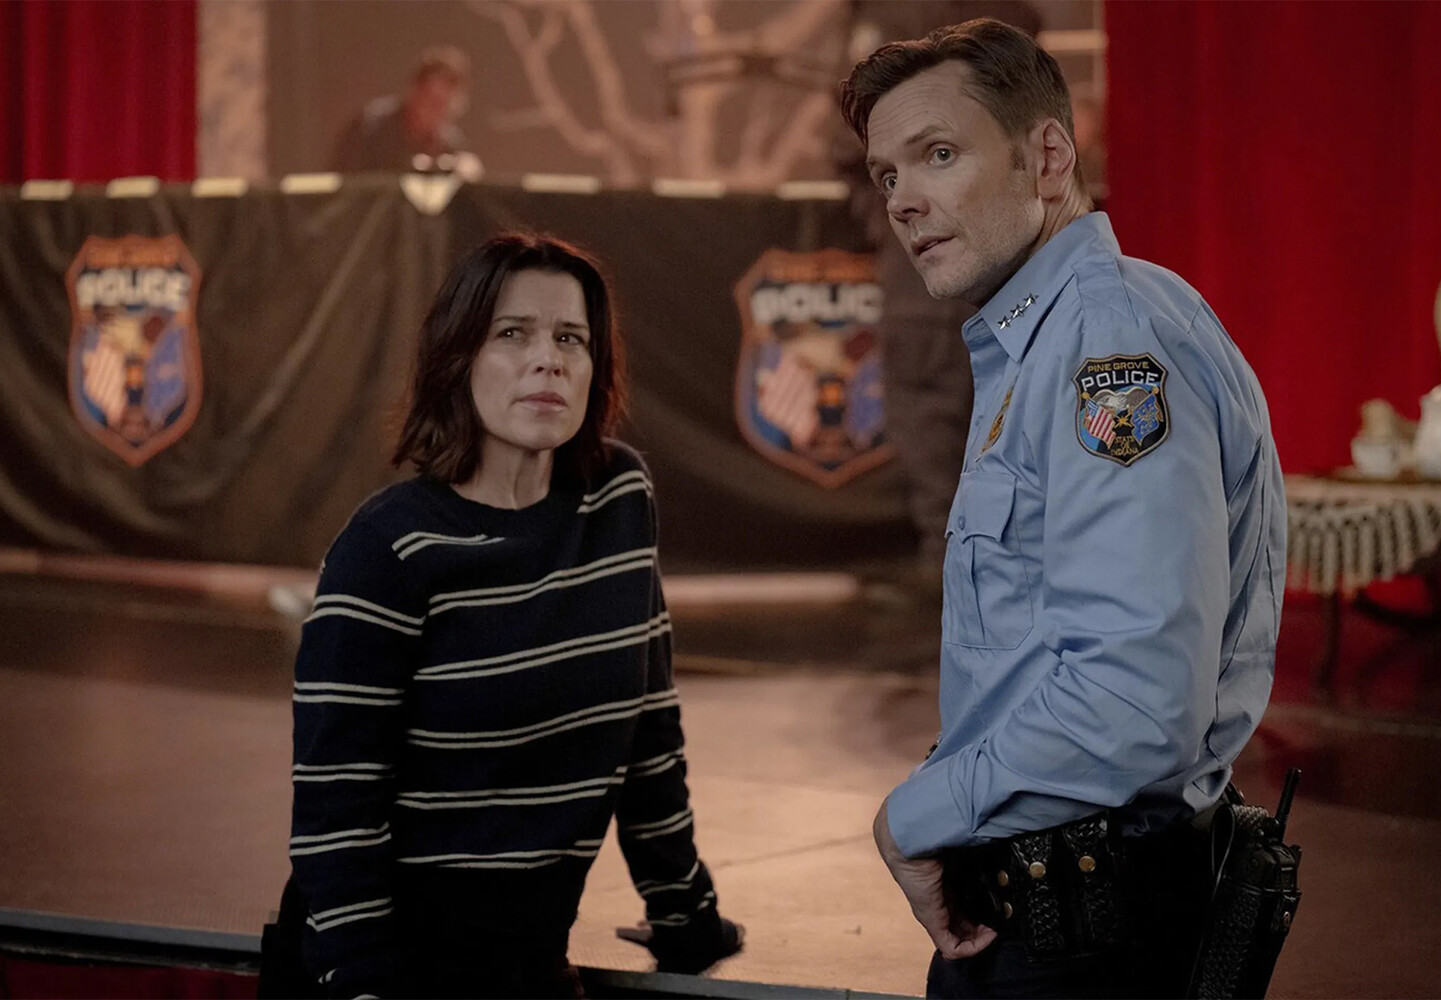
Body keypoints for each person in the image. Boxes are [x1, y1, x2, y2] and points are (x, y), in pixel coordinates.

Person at [839, 19, 1286, 999]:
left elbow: (1135, 699)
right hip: (1051, 906)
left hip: (1084, 939)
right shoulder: (1055, 337)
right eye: (886, 174)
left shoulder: (1104, 350)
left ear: (1046, 156)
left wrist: (916, 815)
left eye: (939, 154)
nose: (903, 198)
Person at [282, 234, 740, 998]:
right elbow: (337, 812)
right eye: (512, 334)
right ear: (457, 358)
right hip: (389, 966)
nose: (548, 361)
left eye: (571, 339)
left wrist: (684, 911)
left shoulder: (619, 500)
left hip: (530, 964)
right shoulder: (388, 547)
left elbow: (649, 734)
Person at [838, 2, 1043, 596]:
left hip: (931, 256)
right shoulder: (1013, 16)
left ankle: (951, 562)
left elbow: (852, 134)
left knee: (925, 398)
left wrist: (886, 209)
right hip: (1014, 251)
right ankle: (993, 563)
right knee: (1007, 406)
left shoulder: (895, 14)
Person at [332, 45, 482, 179]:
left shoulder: (451, 145)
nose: (439, 113)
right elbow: (342, 185)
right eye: (433, 102)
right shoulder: (370, 129)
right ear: (414, 93)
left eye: (447, 106)